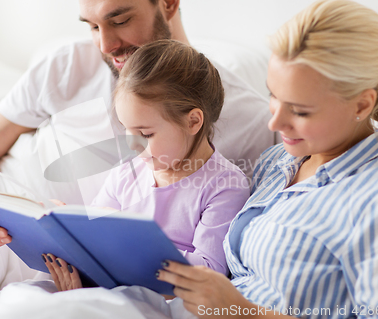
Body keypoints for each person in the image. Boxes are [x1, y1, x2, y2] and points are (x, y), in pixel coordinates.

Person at [0, 0, 273, 254]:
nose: (105, 45)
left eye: (118, 20)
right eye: (91, 26)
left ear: (168, 4)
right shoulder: (63, 66)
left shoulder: (251, 120)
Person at [153, 0, 378, 317]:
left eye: (300, 110)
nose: (274, 124)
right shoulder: (278, 161)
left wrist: (240, 310)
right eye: (273, 95)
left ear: (361, 105)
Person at [43, 40, 250, 286]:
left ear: (193, 122)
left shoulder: (224, 185)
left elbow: (209, 271)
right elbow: (96, 234)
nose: (133, 145)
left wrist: (128, 240)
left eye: (145, 134)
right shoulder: (127, 172)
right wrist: (66, 226)